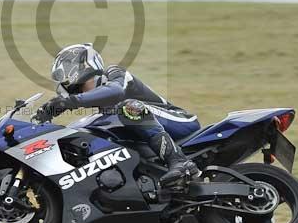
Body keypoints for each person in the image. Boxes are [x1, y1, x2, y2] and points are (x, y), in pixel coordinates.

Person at [34, 43, 201, 185]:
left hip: (179, 120)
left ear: (84, 66)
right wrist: (41, 120)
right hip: (147, 128)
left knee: (129, 108)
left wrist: (67, 103)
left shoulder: (114, 74)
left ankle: (180, 161)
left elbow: (114, 92)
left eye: (80, 87)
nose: (80, 93)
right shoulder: (103, 105)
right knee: (85, 126)